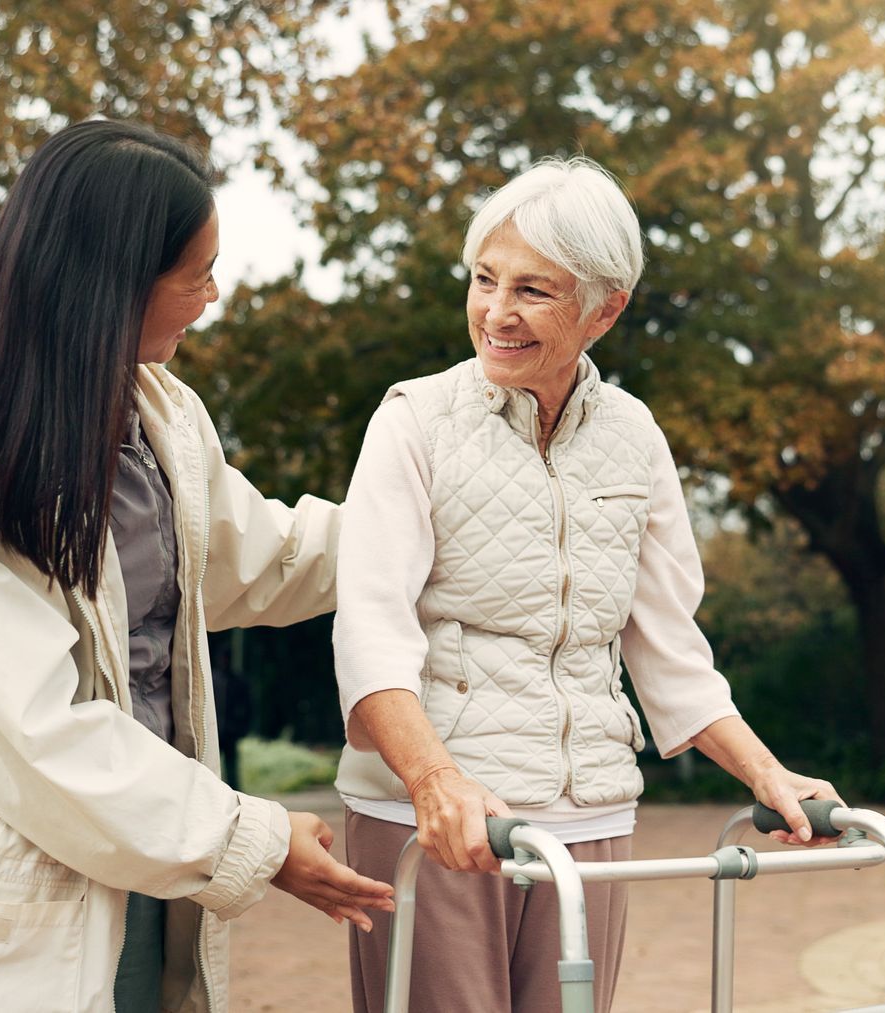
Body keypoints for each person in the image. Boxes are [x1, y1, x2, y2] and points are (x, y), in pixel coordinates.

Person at [0, 119, 393, 1013]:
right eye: (196, 273)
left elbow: (258, 560)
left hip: (149, 865)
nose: (212, 295)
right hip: (0, 908)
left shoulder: (154, 411)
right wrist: (257, 839)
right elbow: (34, 729)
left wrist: (428, 526)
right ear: (115, 282)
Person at [333, 157, 847, 1012]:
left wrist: (768, 773)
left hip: (591, 818)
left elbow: (670, 646)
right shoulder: (412, 421)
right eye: (484, 280)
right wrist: (435, 782)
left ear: (604, 307)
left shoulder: (634, 437)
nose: (496, 313)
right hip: (445, 824)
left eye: (533, 290)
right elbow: (372, 634)